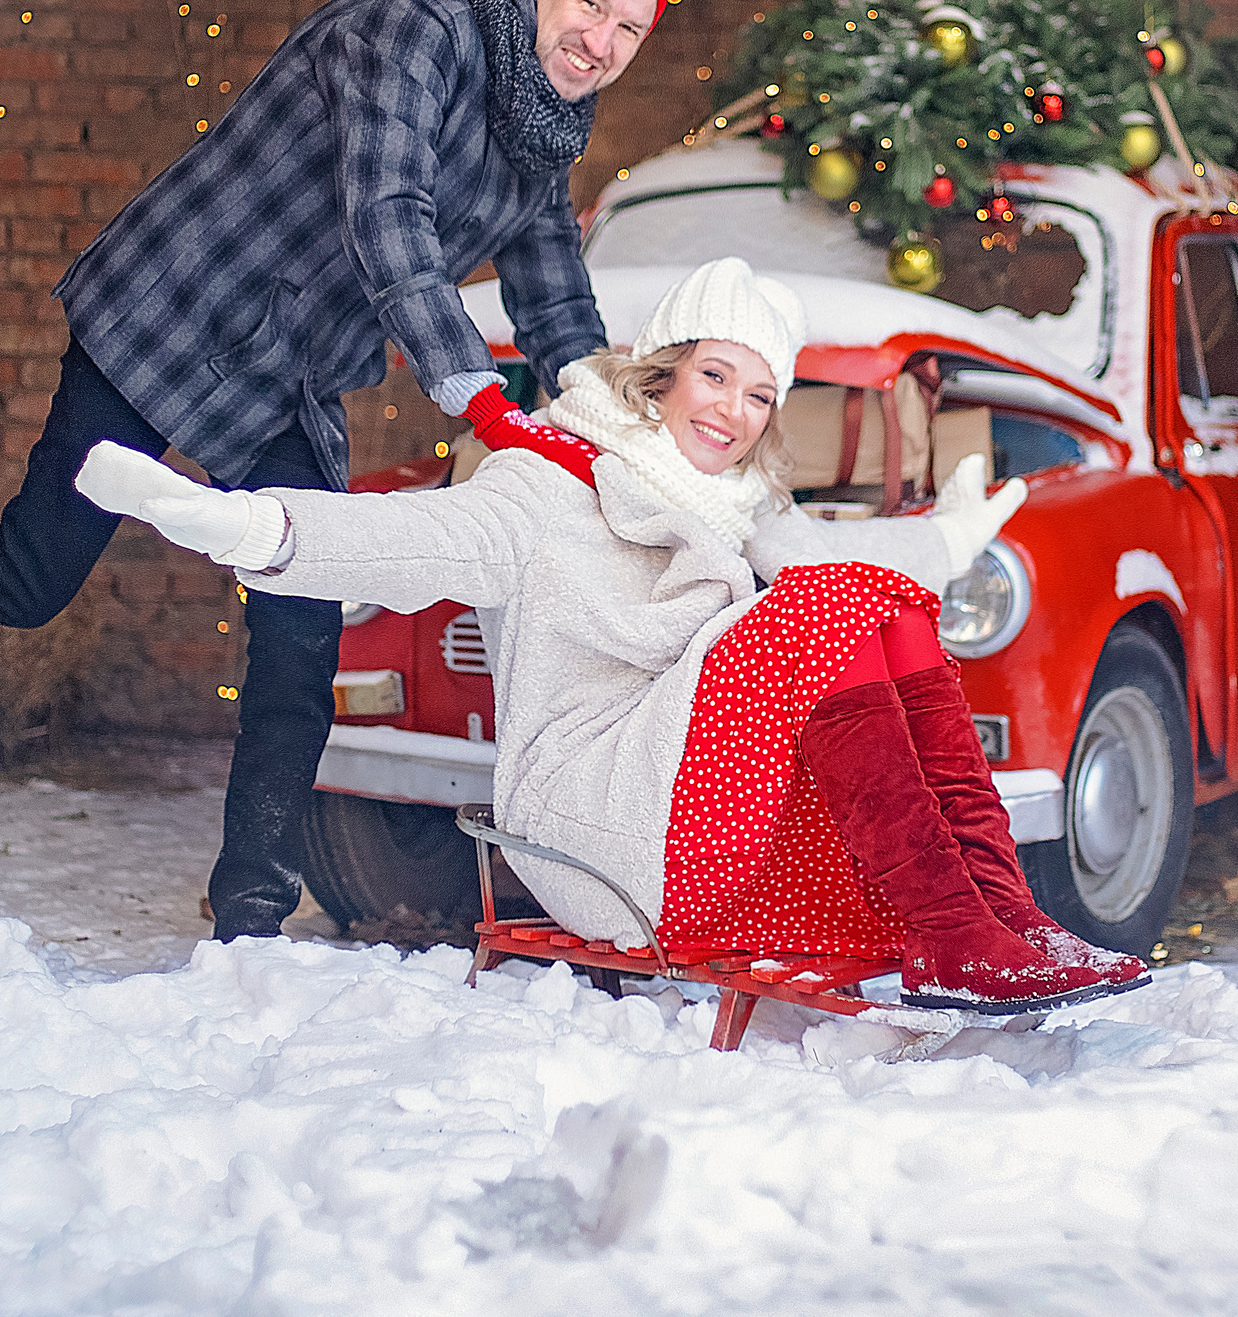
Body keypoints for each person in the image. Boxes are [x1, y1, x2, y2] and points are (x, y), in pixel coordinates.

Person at [0, 0, 672, 939]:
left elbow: (553, 283)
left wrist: (609, 422)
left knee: (300, 619)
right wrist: (472, 389)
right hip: (174, 304)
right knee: (27, 581)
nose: (599, 41)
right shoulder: (415, 29)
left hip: (283, 368)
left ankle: (251, 912)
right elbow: (389, 214)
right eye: (589, 4)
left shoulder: (547, 119)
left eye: (628, 31)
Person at [77, 259, 1147, 1012]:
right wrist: (247, 524)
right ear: (664, 368)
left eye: (761, 393)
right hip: (599, 830)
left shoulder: (741, 511)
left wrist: (956, 533)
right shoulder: (550, 480)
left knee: (877, 597)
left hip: (700, 820)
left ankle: (997, 916)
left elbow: (854, 570)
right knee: (825, 603)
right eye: (716, 375)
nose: (732, 410)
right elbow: (410, 541)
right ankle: (953, 937)